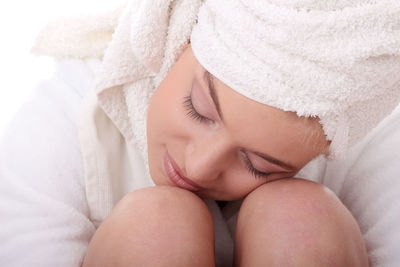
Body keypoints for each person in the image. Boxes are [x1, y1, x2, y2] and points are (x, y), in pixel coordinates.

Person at [1, 0, 400, 266]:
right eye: (199, 109)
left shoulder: (365, 124)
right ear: (179, 37)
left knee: (300, 216)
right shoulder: (75, 105)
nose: (198, 165)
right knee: (157, 224)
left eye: (257, 164)